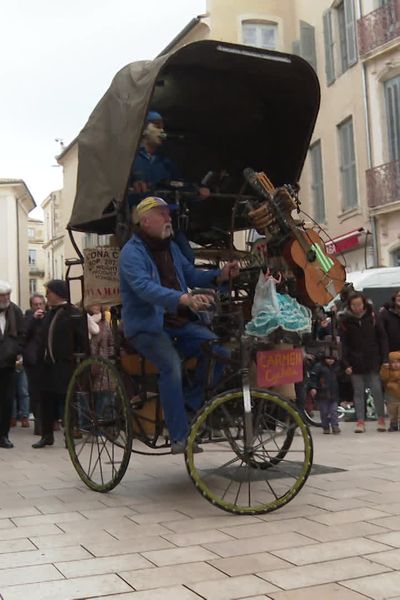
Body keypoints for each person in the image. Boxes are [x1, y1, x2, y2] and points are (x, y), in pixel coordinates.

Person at [119, 196, 239, 454]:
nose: (169, 218)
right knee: (170, 365)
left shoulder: (171, 247)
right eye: (163, 213)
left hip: (176, 322)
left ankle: (190, 407)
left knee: (219, 351)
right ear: (145, 220)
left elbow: (191, 273)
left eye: (169, 213)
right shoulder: (131, 252)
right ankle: (179, 436)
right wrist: (182, 298)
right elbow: (144, 288)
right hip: (146, 327)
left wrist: (219, 275)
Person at [128, 111, 209, 262]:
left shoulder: (166, 163)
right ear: (144, 129)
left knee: (187, 257)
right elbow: (121, 193)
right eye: (157, 126)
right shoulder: (131, 160)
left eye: (163, 127)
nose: (162, 131)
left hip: (167, 222)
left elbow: (182, 186)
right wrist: (134, 188)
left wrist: (198, 191)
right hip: (142, 226)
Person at [32, 280, 86, 449]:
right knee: (46, 400)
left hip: (65, 365)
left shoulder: (73, 313)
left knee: (67, 400)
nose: (47, 295)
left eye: (48, 292)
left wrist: (80, 362)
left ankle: (69, 435)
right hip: (47, 365)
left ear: (57, 293)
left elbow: (82, 340)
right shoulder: (48, 313)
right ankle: (47, 435)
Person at [339, 292, 388, 433]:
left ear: (364, 303)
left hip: (373, 360)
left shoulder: (372, 316)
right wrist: (346, 364)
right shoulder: (345, 321)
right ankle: (360, 421)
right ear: (349, 305)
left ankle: (381, 419)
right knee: (358, 392)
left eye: (359, 304)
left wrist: (384, 358)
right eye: (354, 305)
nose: (357, 308)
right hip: (355, 362)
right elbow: (344, 344)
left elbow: (382, 338)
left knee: (377, 391)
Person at [0, 281, 24, 449]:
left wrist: (16, 350)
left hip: (8, 364)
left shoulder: (15, 311)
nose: (6, 298)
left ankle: (4, 435)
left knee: (7, 401)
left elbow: (22, 334)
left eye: (8, 294)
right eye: (3, 295)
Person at [23, 293, 46, 435]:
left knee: (47, 392)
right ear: (31, 306)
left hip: (46, 360)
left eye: (40, 304)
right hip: (32, 361)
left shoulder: (49, 317)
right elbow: (23, 335)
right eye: (35, 304)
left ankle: (50, 422)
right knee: (35, 393)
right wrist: (33, 319)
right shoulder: (27, 319)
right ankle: (39, 426)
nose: (38, 307)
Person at [308, 354, 341, 434]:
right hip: (322, 393)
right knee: (324, 412)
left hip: (334, 393)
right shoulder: (318, 367)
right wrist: (313, 388)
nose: (330, 361)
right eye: (328, 359)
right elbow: (313, 378)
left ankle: (335, 426)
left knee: (334, 411)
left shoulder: (336, 367)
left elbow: (340, 379)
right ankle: (326, 427)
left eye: (332, 359)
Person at [380, 351, 400, 431]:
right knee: (392, 410)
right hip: (391, 395)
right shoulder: (387, 371)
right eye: (393, 362)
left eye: (398, 362)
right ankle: (393, 423)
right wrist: (385, 368)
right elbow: (383, 377)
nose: (396, 364)